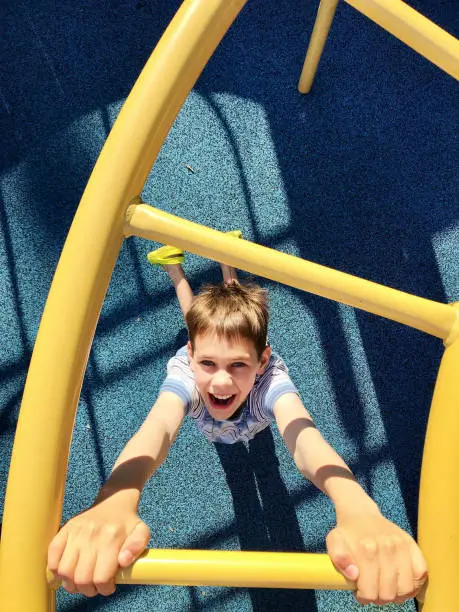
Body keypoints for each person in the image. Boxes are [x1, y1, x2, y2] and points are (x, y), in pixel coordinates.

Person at [47, 239, 428, 605]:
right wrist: (117, 494)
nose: (222, 381)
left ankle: (226, 263)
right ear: (191, 357)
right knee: (200, 321)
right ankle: (176, 272)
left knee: (227, 322)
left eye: (239, 366)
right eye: (208, 364)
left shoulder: (271, 380)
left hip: (249, 418)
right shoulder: (187, 372)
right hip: (215, 391)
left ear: (261, 363)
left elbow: (303, 436)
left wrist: (357, 506)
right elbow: (158, 427)